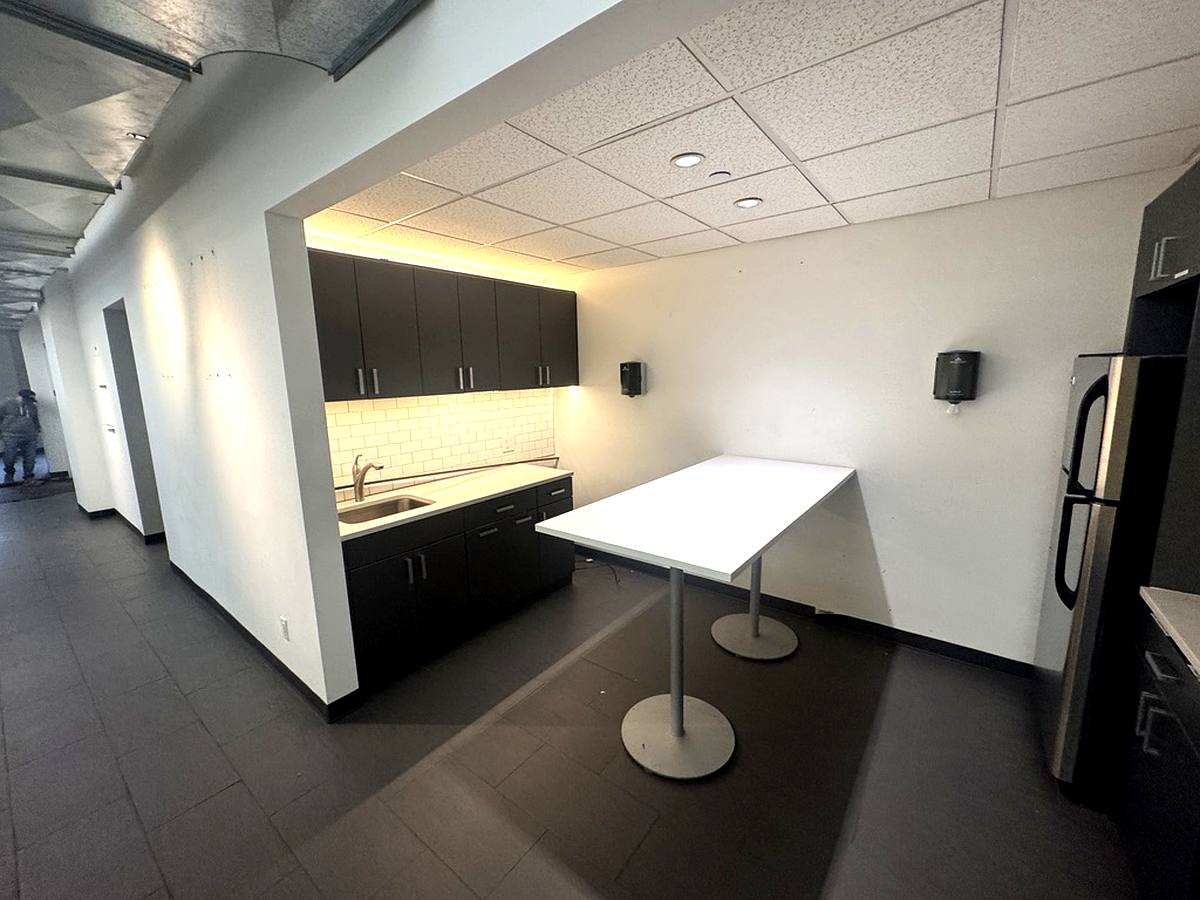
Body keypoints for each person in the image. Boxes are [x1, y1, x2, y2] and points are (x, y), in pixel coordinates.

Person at [0, 388, 40, 484]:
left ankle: (28, 477)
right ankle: (9, 472)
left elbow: (35, 419)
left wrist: (37, 430)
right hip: (10, 435)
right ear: (19, 397)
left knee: (30, 457)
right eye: (26, 399)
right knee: (10, 456)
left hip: (29, 435)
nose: (28, 402)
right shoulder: (6, 404)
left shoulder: (32, 407)